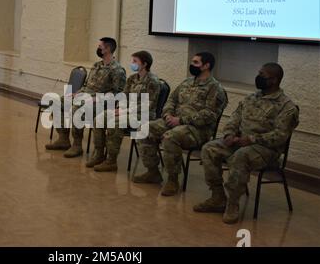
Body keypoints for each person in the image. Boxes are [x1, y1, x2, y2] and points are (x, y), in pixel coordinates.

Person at [193, 63, 299, 224]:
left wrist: (251, 139)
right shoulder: (250, 98)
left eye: (262, 75)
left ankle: (232, 204)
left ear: (274, 80)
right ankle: (218, 197)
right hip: (239, 142)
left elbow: (280, 136)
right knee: (209, 148)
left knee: (241, 156)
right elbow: (234, 119)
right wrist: (229, 134)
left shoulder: (286, 106)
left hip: (265, 150)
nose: (258, 77)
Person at [134, 52, 228, 197]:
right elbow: (171, 100)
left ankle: (172, 180)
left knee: (169, 137)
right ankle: (152, 172)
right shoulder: (187, 82)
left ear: (206, 66)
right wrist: (168, 115)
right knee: (144, 129)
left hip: (197, 130)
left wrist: (181, 120)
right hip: (173, 121)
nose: (192, 65)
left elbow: (209, 115)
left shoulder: (215, 88)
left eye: (196, 62)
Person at [45, 38, 126, 158]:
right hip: (85, 96)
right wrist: (77, 93)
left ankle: (77, 145)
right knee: (56, 102)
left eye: (100, 46)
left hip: (100, 103)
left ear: (107, 49)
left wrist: (97, 99)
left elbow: (118, 94)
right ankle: (63, 138)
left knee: (77, 108)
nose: (98, 48)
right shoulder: (96, 65)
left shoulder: (117, 70)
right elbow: (87, 84)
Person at [88, 51, 161, 172]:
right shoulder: (132, 79)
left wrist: (125, 111)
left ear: (144, 64)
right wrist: (120, 108)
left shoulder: (152, 81)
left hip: (143, 114)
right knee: (99, 119)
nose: (132, 64)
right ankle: (99, 153)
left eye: (135, 61)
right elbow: (124, 95)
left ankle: (111, 161)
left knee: (115, 123)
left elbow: (148, 105)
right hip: (127, 111)